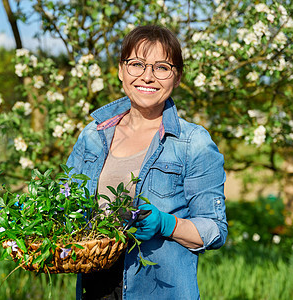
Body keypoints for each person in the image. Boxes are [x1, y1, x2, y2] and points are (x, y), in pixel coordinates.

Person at [66, 25, 228, 299]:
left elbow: (215, 230)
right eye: (137, 64)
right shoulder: (93, 135)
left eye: (162, 67)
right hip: (95, 287)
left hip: (157, 290)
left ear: (176, 77)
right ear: (120, 70)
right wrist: (20, 215)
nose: (147, 77)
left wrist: (167, 224)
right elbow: (66, 200)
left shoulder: (193, 142)